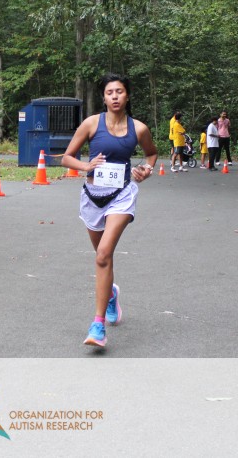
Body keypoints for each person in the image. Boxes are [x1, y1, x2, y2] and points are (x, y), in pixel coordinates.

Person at [62, 73, 157, 349]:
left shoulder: (139, 128)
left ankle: (98, 325)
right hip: (92, 197)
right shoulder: (92, 123)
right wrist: (86, 166)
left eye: (119, 91)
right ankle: (111, 294)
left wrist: (146, 169)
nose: (115, 96)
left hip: (122, 196)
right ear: (104, 98)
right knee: (102, 257)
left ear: (127, 96)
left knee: (103, 254)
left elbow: (151, 154)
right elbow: (66, 157)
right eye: (109, 92)